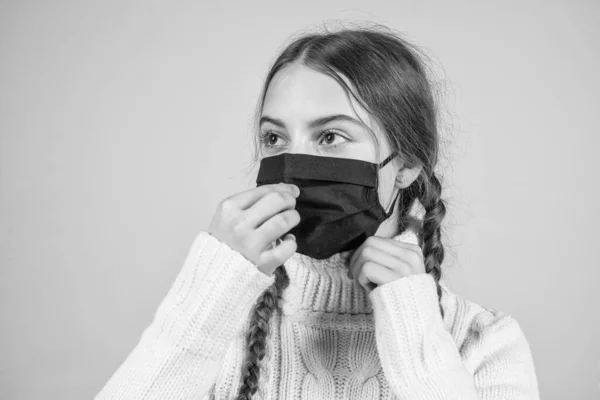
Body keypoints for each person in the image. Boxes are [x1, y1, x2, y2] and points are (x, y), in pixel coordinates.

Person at [95, 25, 540, 400]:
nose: (293, 162)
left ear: (404, 165)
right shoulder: (220, 322)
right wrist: (210, 289)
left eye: (329, 137)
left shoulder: (483, 339)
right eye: (274, 139)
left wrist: (414, 330)